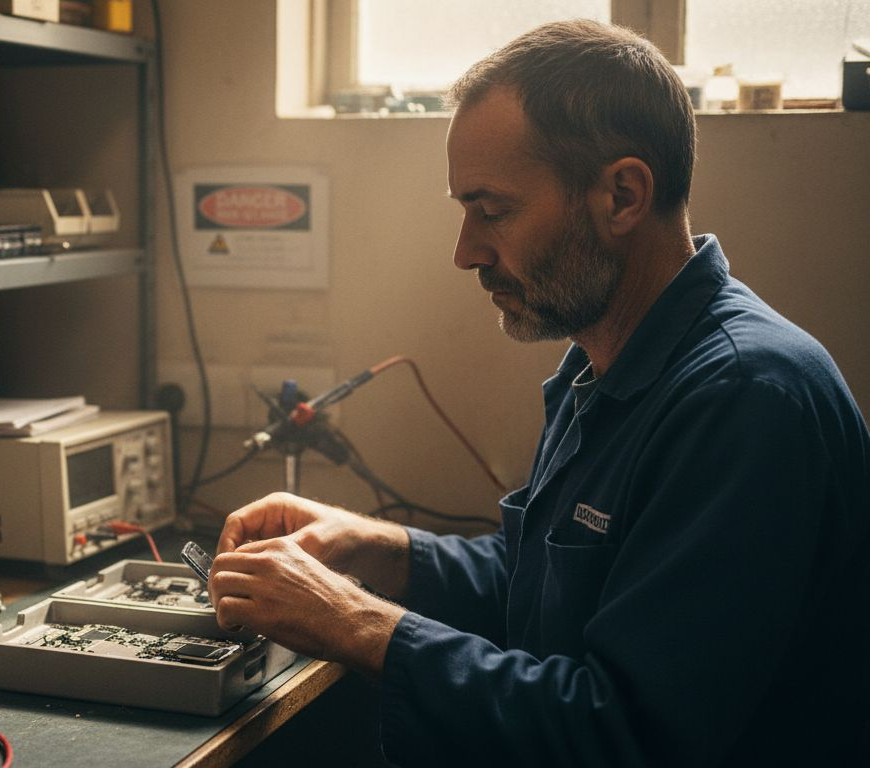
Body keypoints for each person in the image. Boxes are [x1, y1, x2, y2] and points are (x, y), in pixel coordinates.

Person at [208, 19, 870, 766]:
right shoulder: (605, 365)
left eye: (492, 212)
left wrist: (354, 620)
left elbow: (623, 735)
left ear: (621, 195)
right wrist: (378, 548)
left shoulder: (745, 401)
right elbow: (550, 590)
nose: (466, 253)